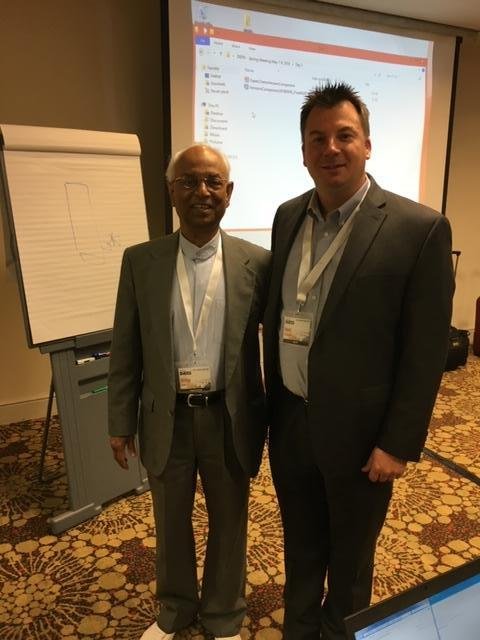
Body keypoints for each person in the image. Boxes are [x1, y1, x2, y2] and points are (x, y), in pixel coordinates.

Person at [262, 81, 454, 640]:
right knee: (300, 547)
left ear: (367, 144)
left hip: (363, 437)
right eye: (317, 138)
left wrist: (398, 442)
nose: (331, 148)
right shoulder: (287, 216)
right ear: (303, 151)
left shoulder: (418, 229)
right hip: (292, 421)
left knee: (349, 563)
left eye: (344, 135)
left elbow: (424, 351)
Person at [108, 143, 270, 640]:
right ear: (171, 191)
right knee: (170, 519)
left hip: (229, 415)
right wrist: (119, 422)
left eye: (213, 181)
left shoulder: (258, 263)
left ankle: (223, 614)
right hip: (167, 416)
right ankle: (175, 608)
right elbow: (126, 347)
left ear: (229, 192)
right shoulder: (140, 262)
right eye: (189, 181)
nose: (202, 191)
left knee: (231, 520)